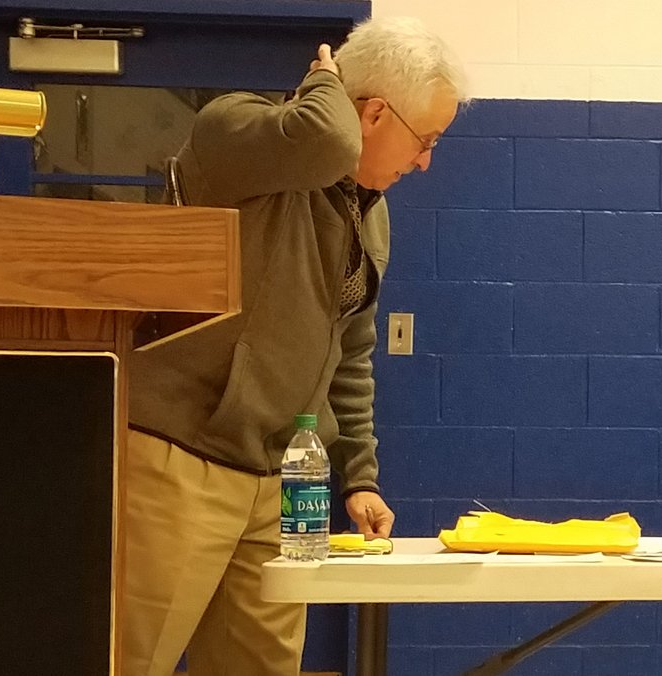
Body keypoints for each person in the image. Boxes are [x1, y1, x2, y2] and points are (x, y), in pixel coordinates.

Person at [124, 17, 467, 675]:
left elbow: (351, 348)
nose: (425, 161)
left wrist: (358, 473)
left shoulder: (371, 212)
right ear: (371, 113)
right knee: (132, 657)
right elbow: (328, 139)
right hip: (179, 459)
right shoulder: (234, 130)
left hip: (279, 482)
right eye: (425, 139)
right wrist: (326, 83)